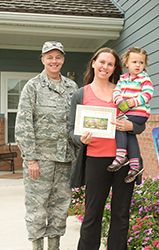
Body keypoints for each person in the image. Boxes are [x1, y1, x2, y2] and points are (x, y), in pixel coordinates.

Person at [69, 47, 145, 250]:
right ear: (93, 63)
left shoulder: (124, 89)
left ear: (115, 68)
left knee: (121, 215)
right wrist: (81, 140)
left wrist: (132, 126)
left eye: (110, 64)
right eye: (102, 62)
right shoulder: (80, 94)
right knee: (93, 214)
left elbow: (140, 121)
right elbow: (71, 130)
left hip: (125, 161)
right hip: (95, 160)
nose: (105, 67)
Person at [15, 41, 78, 250]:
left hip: (65, 159)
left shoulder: (72, 87)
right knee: (37, 206)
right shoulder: (32, 86)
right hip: (40, 160)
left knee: (60, 206)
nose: (54, 61)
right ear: (42, 60)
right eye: (49, 57)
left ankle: (54, 246)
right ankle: (37, 247)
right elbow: (24, 124)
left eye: (58, 57)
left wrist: (78, 152)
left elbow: (77, 122)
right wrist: (30, 158)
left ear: (63, 60)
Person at [107, 47, 154, 183]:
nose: (138, 65)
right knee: (129, 134)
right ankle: (135, 165)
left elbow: (148, 93)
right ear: (127, 63)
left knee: (118, 124)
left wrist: (131, 102)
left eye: (141, 62)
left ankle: (121, 156)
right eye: (134, 62)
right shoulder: (123, 78)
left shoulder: (144, 78)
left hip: (139, 113)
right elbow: (116, 91)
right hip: (128, 111)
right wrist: (119, 100)